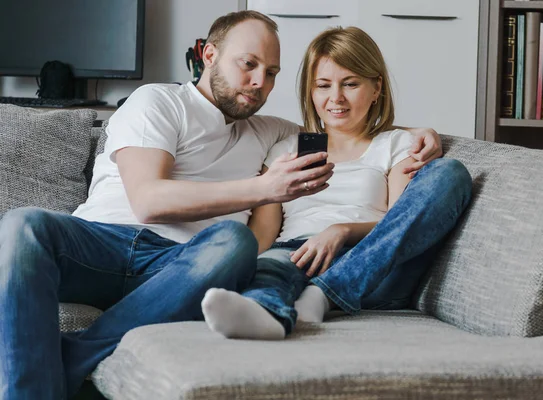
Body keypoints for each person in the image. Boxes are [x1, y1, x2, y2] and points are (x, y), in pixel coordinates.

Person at [0, 11, 442, 400]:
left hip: (180, 268)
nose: (259, 83)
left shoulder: (271, 131)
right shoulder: (158, 101)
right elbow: (149, 201)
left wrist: (423, 135)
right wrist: (265, 189)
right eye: (247, 65)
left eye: (271, 72)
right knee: (22, 224)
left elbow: (345, 124)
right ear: (209, 55)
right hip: (99, 245)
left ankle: (78, 354)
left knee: (235, 241)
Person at [200, 26, 472, 341]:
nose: (336, 98)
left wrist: (340, 231)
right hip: (296, 253)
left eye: (351, 84)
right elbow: (264, 232)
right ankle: (266, 311)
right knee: (270, 267)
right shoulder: (286, 148)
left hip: (371, 263)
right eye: (323, 85)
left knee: (450, 172)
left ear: (376, 88)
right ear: (310, 92)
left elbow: (400, 225)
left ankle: (324, 296)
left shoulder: (398, 144)